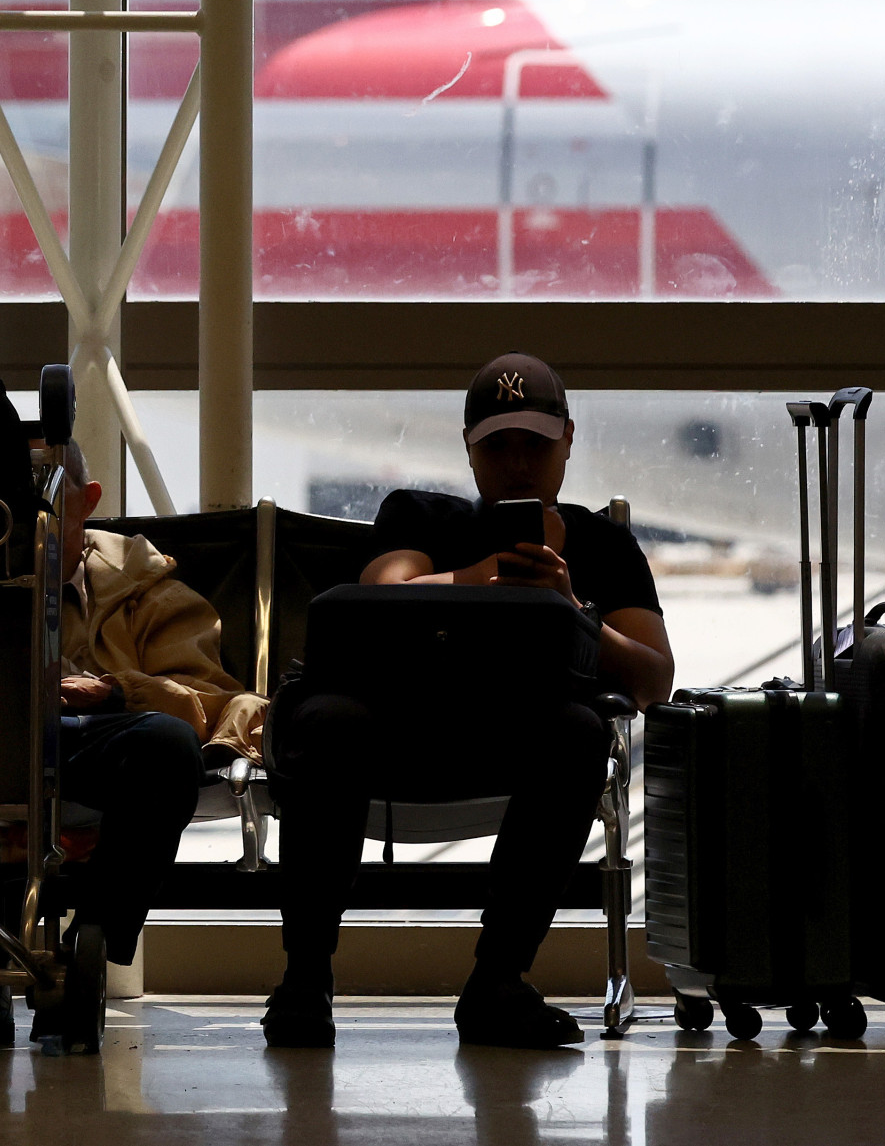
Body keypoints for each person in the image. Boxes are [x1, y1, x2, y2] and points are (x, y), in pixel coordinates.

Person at [260, 352, 675, 1050]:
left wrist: (567, 607)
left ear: (568, 440)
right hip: (395, 730)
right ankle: (306, 977)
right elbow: (385, 593)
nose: (518, 462)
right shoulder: (420, 515)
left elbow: (653, 678)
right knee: (330, 721)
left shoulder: (603, 544)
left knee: (577, 731)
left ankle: (498, 978)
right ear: (470, 450)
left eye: (535, 444)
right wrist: (483, 579)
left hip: (515, 742)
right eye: (498, 445)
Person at [0, 442, 267, 1050]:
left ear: (92, 500)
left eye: (54, 497)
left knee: (168, 744)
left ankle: (89, 947)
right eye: (23, 503)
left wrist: (113, 691)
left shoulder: (147, 586)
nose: (41, 517)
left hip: (102, 737)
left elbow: (211, 700)